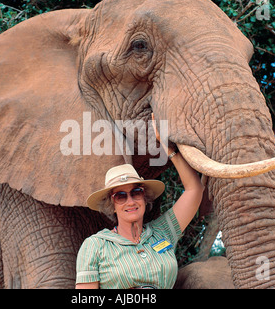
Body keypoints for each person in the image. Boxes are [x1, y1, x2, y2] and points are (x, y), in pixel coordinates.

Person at [75, 115, 204, 289]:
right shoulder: (95, 246)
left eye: (136, 192)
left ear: (144, 197)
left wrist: (169, 149)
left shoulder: (162, 232)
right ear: (112, 205)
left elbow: (194, 190)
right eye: (121, 196)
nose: (130, 201)